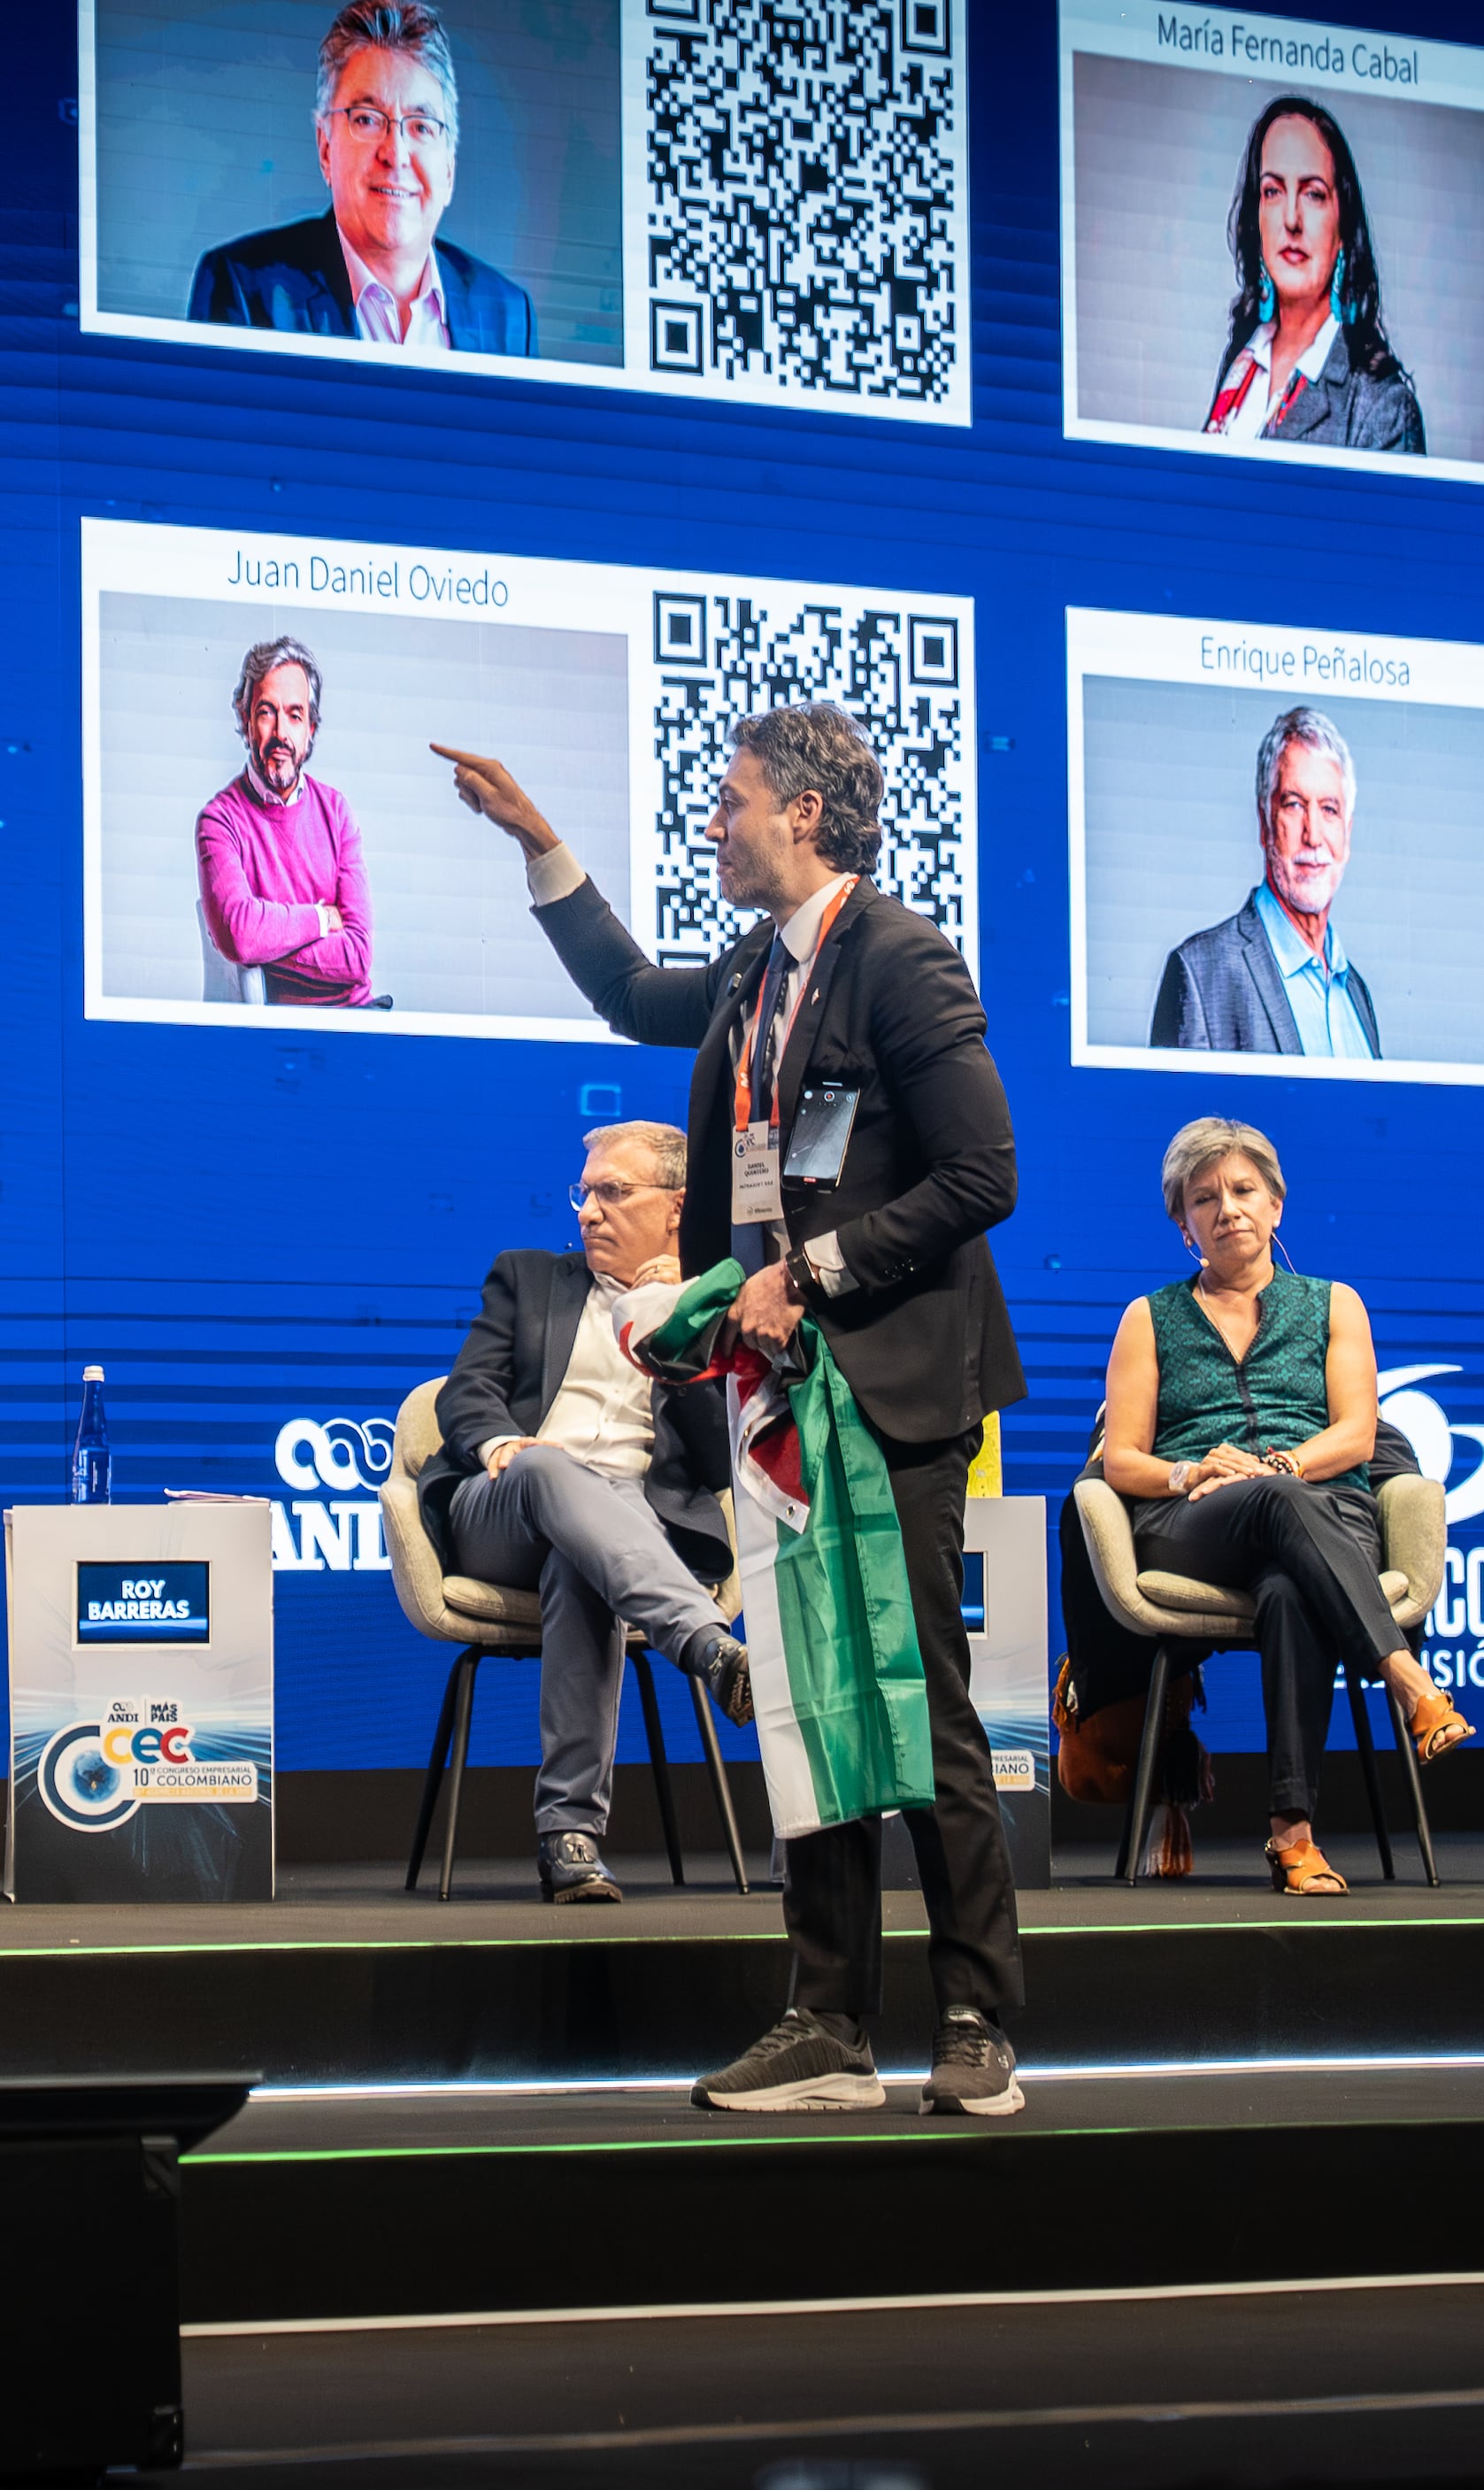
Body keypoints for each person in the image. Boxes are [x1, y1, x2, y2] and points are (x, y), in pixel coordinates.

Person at [438, 705, 1030, 2119]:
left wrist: (808, 1274)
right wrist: (538, 845)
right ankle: (828, 2022)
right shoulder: (757, 975)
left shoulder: (901, 957)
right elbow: (632, 995)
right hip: (776, 1400)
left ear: (807, 816)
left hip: (888, 1394)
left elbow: (983, 1175)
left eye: (733, 800)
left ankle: (975, 2020)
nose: (716, 821)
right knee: (810, 1715)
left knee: (919, 1703)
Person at [1088, 1117, 1473, 1893]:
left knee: (1288, 1589)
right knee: (1270, 1505)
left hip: (1326, 1509)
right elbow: (1120, 1457)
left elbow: (1358, 1435)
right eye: (1205, 1198)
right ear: (1183, 1223)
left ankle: (1292, 1836)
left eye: (1243, 1190)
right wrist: (1190, 1471)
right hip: (1194, 1522)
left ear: (1276, 1205)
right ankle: (1408, 1683)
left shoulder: (1335, 1304)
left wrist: (1278, 1465)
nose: (1227, 1208)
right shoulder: (1148, 1317)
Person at [424, 1122, 757, 1903]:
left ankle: (569, 1839)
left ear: (677, 1208)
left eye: (613, 1192)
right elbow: (465, 1391)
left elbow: (719, 1461)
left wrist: (674, 1324)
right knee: (555, 1469)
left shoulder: (710, 1302)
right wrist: (505, 1443)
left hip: (622, 1531)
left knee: (583, 1555)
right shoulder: (527, 1277)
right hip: (506, 1504)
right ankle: (710, 1649)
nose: (588, 1210)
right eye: (586, 1191)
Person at [186, 1, 533, 357]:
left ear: (448, 168)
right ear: (325, 147)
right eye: (367, 119)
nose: (395, 153)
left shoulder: (507, 314)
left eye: (421, 126)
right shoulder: (245, 289)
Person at [1152, 705, 1380, 1058]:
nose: (1314, 836)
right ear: (1264, 823)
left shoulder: (1357, 992)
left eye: (1329, 810)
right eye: (1294, 805)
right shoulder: (1199, 974)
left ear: (1347, 835)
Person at [1198, 96, 1423, 453]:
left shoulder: (1383, 408)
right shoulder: (1242, 360)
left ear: (1343, 228)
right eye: (1272, 191)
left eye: (1313, 194)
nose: (1291, 219)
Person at [195, 636, 379, 1007]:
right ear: (245, 720)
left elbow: (358, 955)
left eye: (295, 715)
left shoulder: (337, 812)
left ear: (310, 730)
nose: (281, 733)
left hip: (359, 1021)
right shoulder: (219, 822)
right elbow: (239, 936)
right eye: (266, 712)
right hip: (280, 1036)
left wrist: (267, 942)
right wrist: (320, 920)